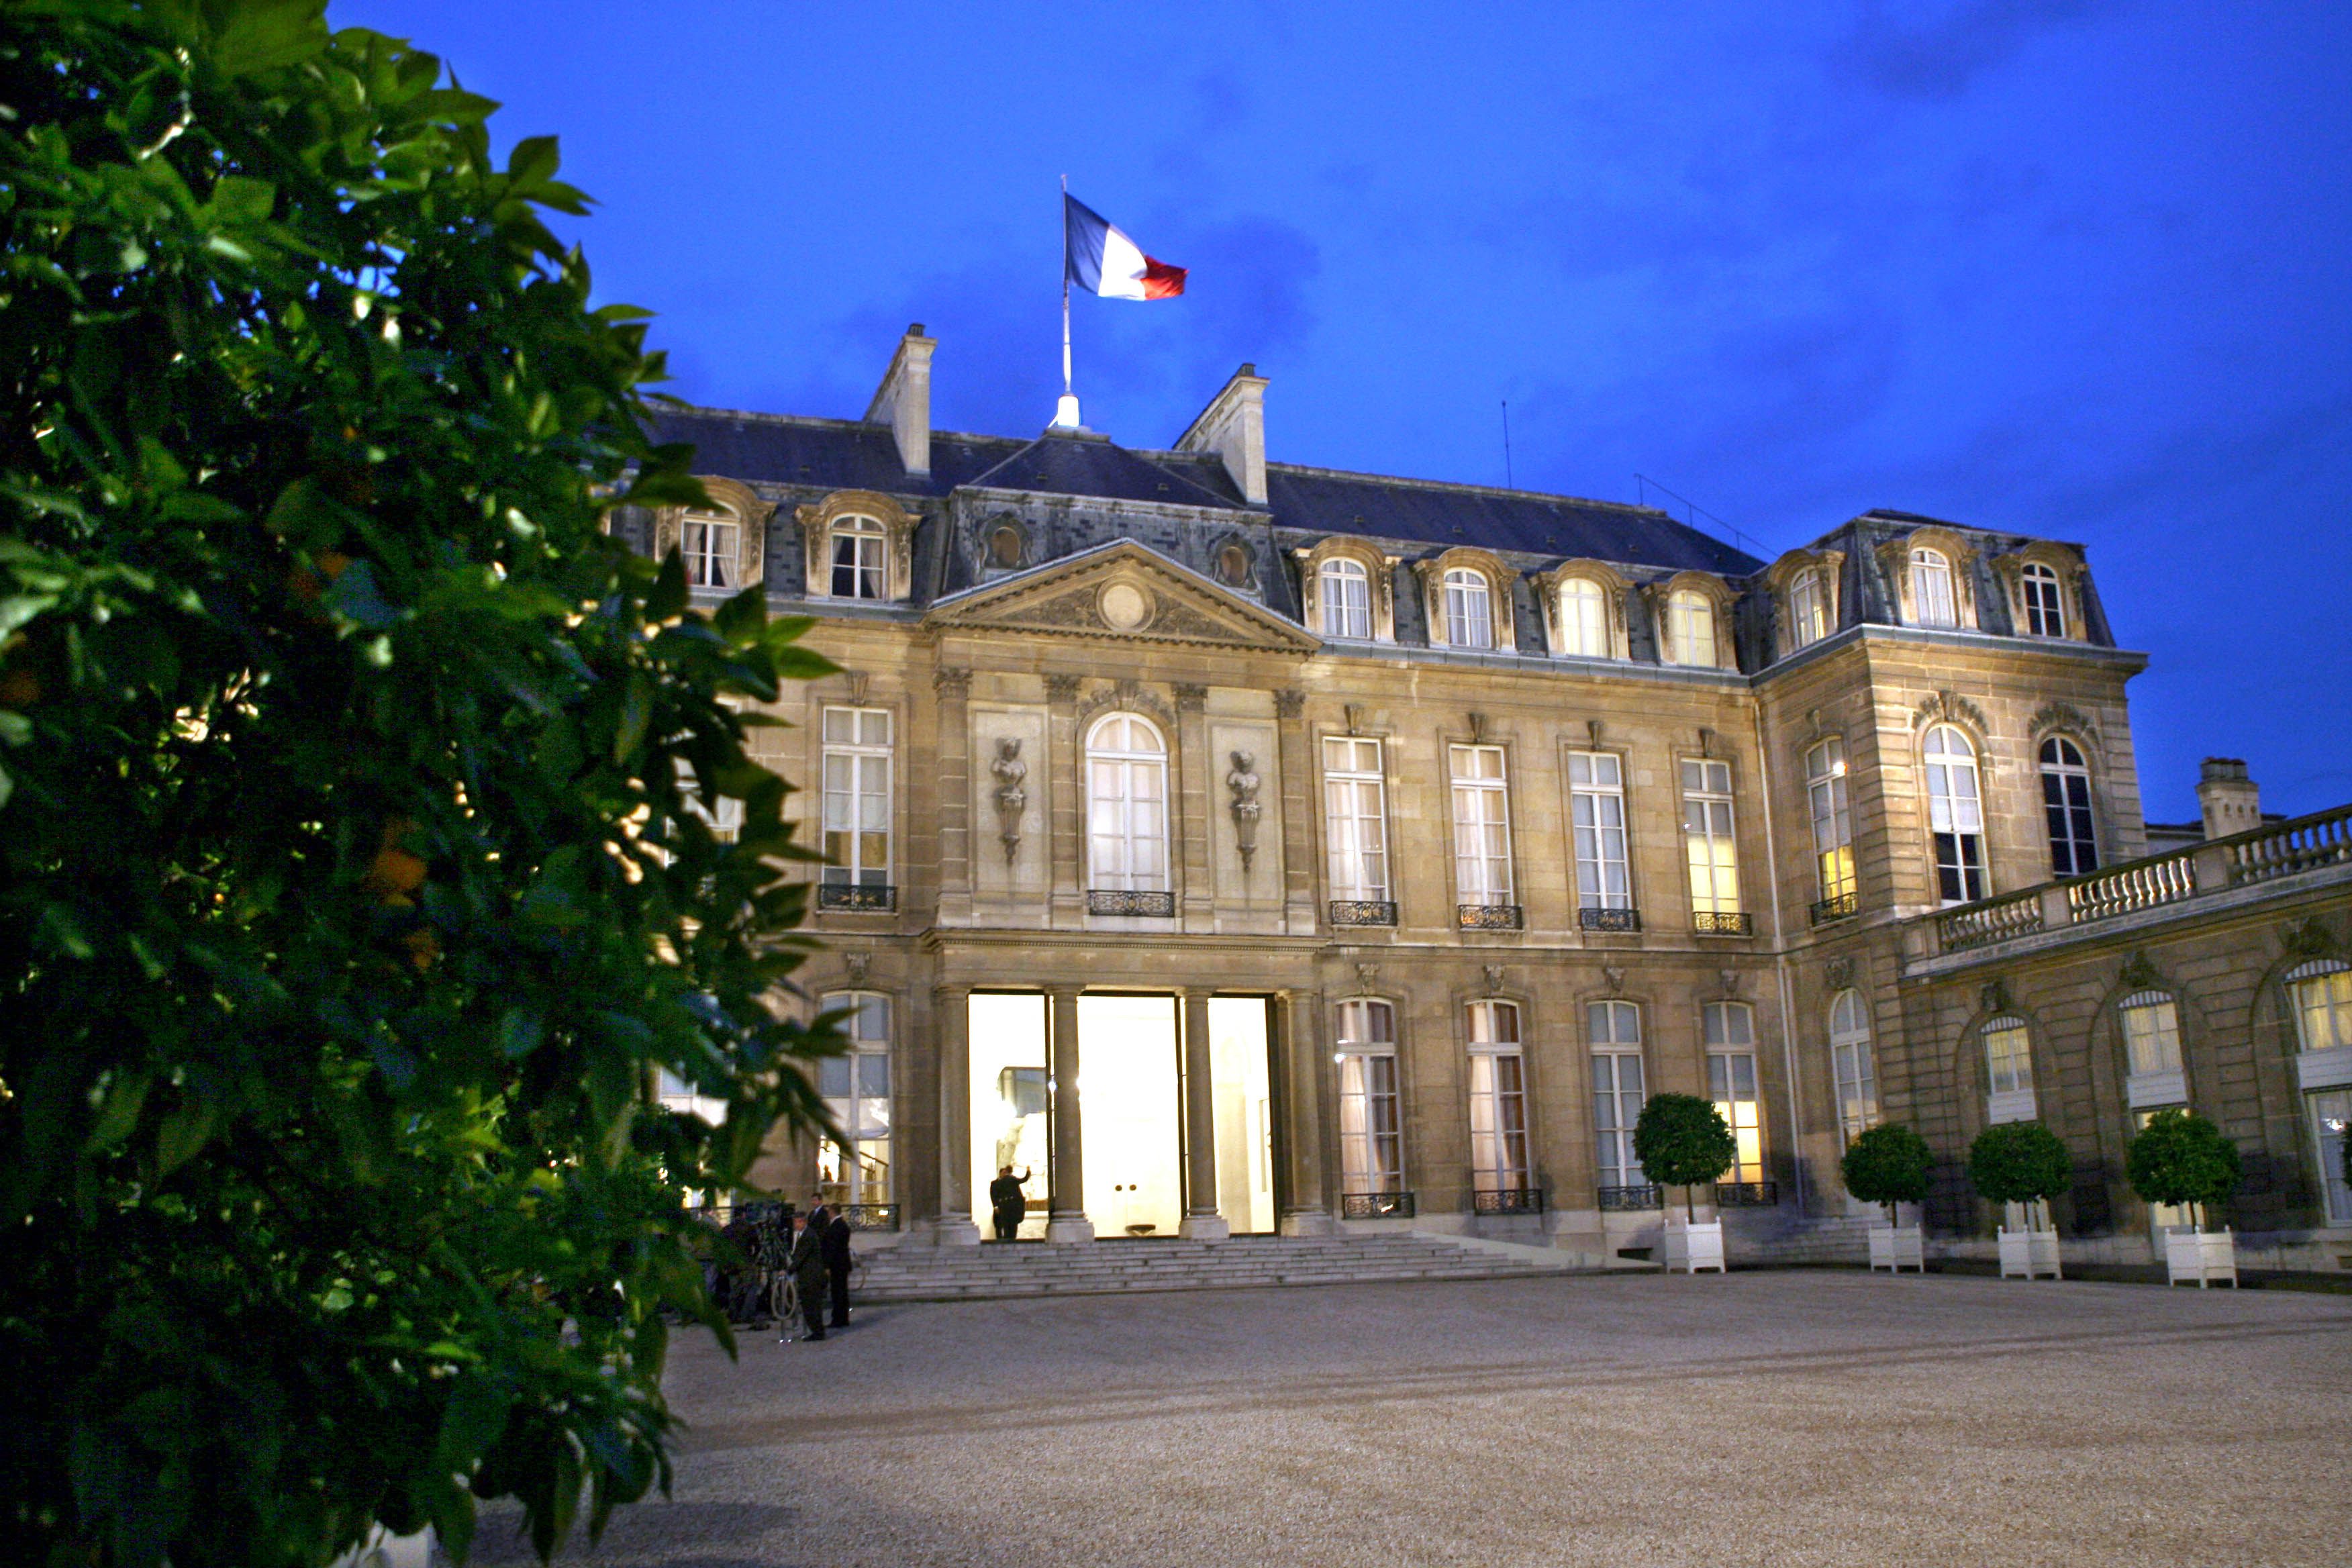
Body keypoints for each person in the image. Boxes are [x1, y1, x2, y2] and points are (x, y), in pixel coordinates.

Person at [789, 1206, 830, 1341]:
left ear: (803, 1222)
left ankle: (818, 1332)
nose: (796, 1225)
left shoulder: (808, 1236)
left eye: (797, 1222)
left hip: (812, 1277)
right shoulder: (805, 1235)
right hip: (808, 1276)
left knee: (812, 1306)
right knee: (809, 1306)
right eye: (795, 1222)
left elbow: (801, 1256)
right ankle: (817, 1331)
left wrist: (789, 1269)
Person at [822, 1208, 855, 1328]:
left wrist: (827, 1265)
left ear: (832, 1213)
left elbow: (833, 1248)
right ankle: (843, 1318)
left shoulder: (836, 1226)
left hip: (837, 1264)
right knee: (842, 1292)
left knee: (838, 1293)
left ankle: (838, 1319)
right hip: (843, 1263)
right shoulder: (842, 1225)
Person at [989, 1164, 1030, 1241]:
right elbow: (1024, 1179)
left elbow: (994, 1195)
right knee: (1013, 1225)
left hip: (1003, 1206)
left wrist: (997, 1206)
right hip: (1013, 1206)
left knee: (1006, 1225)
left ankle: (1007, 1239)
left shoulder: (998, 1183)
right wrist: (1028, 1171)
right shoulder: (1012, 1179)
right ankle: (1012, 1239)